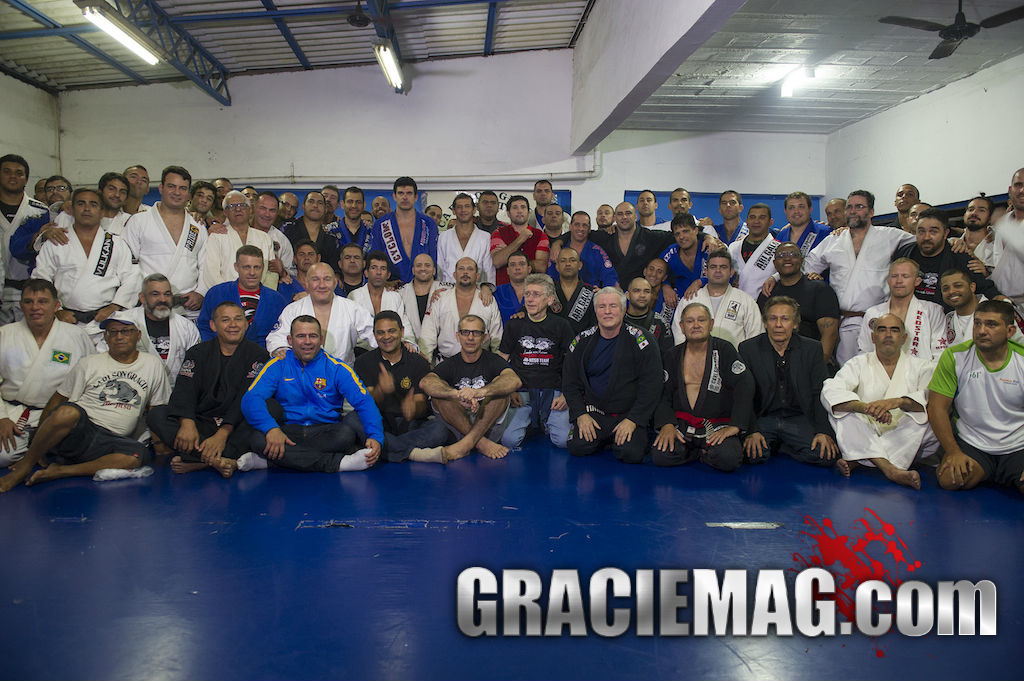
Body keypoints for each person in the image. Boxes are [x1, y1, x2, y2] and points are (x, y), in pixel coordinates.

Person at [0, 311, 171, 492]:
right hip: (81, 431)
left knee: (137, 456)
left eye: (126, 331)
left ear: (138, 335)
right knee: (67, 412)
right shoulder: (88, 363)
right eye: (113, 332)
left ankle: (62, 471)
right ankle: (26, 466)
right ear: (106, 337)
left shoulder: (152, 364)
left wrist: (160, 445)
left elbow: (155, 408)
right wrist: (38, 442)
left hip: (111, 441)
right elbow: (58, 399)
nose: (119, 337)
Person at [238, 315, 382, 474]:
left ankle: (271, 461)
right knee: (258, 439)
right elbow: (250, 399)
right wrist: (271, 429)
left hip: (325, 431)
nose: (307, 341)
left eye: (312, 336)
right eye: (301, 336)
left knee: (346, 435)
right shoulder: (277, 364)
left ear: (321, 339)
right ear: (290, 340)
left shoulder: (337, 368)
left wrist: (375, 436)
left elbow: (364, 402)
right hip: (287, 430)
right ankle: (338, 463)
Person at [147, 301, 269, 477]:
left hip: (235, 426)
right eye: (225, 320)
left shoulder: (258, 355)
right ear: (213, 325)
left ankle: (197, 460)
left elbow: (246, 398)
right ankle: (217, 460)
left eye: (238, 319)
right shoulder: (197, 352)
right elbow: (184, 390)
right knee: (157, 415)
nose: (233, 325)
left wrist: (223, 434)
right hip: (201, 423)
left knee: (269, 410)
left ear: (246, 323)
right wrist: (187, 423)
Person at [797, 189, 916, 364]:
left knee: (879, 374)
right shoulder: (834, 240)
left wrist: (958, 240)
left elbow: (923, 240)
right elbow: (805, 266)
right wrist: (810, 276)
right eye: (849, 207)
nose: (853, 211)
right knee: (847, 374)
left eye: (859, 206)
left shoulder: (889, 236)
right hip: (843, 322)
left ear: (871, 212)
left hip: (880, 321)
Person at [822, 313, 937, 490]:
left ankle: (862, 458)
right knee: (842, 415)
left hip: (903, 433)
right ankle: (890, 469)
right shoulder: (858, 363)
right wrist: (865, 408)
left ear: (904, 338)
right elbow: (831, 389)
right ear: (873, 337)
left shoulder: (923, 366)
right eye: (882, 330)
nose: (888, 335)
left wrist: (897, 402)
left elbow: (929, 397)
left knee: (927, 420)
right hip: (867, 427)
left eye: (894, 330)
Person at [928, 300, 1024, 493]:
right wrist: (953, 451)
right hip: (973, 445)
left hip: (1018, 446)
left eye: (991, 324)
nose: (981, 330)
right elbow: (936, 408)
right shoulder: (955, 356)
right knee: (949, 480)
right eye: (977, 323)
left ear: (1010, 331)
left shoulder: (1021, 360)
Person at [0, 280, 95, 468]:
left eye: (42, 301)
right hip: (13, 414)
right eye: (28, 302)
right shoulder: (4, 334)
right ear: (21, 305)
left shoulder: (77, 336)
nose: (35, 307)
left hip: (59, 417)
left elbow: (92, 378)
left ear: (56, 305)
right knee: (3, 457)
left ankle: (37, 450)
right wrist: (1, 418)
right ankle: (36, 450)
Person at [562, 287, 663, 464]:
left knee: (630, 453)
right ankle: (606, 438)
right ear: (595, 311)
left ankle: (619, 437)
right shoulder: (581, 341)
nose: (607, 311)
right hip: (595, 413)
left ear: (624, 310)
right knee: (577, 447)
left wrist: (634, 419)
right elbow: (570, 383)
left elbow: (652, 385)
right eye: (602, 306)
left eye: (613, 306)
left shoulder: (643, 341)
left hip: (628, 414)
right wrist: (580, 415)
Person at [739, 297, 841, 470]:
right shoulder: (748, 349)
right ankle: (778, 443)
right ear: (765, 323)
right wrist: (751, 431)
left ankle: (784, 445)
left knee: (825, 456)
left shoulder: (812, 349)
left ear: (795, 324)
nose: (778, 324)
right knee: (752, 455)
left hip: (798, 418)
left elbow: (820, 392)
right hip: (764, 418)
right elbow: (744, 394)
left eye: (785, 319)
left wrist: (822, 431)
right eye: (773, 318)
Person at [652, 302, 753, 471]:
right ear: (682, 327)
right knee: (661, 455)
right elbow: (661, 393)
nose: (696, 325)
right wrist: (667, 424)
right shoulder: (672, 355)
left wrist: (736, 425)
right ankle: (700, 452)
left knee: (728, 458)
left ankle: (700, 451)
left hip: (716, 425)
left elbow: (745, 387)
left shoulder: (725, 350)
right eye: (690, 321)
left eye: (701, 320)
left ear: (711, 324)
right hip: (682, 425)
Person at [32, 188, 141, 339]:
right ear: (72, 209)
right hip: (65, 321)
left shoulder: (116, 243)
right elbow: (41, 280)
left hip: (105, 322)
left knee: (104, 363)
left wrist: (115, 306)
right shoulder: (55, 242)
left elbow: (132, 277)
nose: (87, 208)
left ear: (102, 212)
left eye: (93, 204)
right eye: (81, 203)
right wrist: (57, 310)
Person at [413, 314, 521, 463]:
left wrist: (480, 392)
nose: (470, 337)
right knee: (440, 395)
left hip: (487, 426)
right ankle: (479, 443)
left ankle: (465, 445)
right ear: (458, 336)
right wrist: (456, 394)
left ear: (484, 337)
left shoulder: (493, 360)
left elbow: (513, 380)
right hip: (458, 426)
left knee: (499, 393)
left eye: (476, 333)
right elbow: (426, 382)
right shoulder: (451, 363)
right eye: (465, 332)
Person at [353, 311, 445, 463]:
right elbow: (366, 404)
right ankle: (412, 453)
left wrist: (413, 408)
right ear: (374, 335)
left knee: (440, 430)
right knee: (352, 420)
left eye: (392, 331)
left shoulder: (418, 362)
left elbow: (421, 401)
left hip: (410, 424)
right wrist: (380, 390)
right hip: (379, 422)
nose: (386, 337)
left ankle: (384, 449)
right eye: (380, 333)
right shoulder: (363, 362)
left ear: (402, 332)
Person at [120, 165, 208, 319]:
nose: (176, 192)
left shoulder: (197, 227)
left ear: (188, 193)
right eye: (171, 186)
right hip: (149, 306)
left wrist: (200, 292)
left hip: (187, 308)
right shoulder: (138, 221)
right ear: (161, 188)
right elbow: (126, 264)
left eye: (182, 188)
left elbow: (205, 266)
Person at [499, 274, 574, 449]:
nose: (530, 299)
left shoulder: (562, 326)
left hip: (553, 390)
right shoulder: (514, 325)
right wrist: (508, 391)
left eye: (537, 295)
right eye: (527, 294)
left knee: (563, 441)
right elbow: (501, 362)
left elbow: (573, 364)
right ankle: (535, 420)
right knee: (509, 441)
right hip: (521, 392)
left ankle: (545, 420)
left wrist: (567, 394)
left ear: (550, 300)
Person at [892, 207, 1000, 311]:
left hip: (946, 320)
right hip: (909, 317)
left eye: (933, 232)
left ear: (945, 233)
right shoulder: (904, 253)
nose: (926, 237)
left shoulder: (960, 257)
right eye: (921, 231)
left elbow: (986, 289)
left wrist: (1001, 300)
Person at [267, 263, 376, 366]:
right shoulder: (293, 310)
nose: (322, 285)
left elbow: (376, 335)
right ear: (307, 284)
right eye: (315, 279)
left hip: (342, 376)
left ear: (335, 283)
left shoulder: (352, 308)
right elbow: (276, 338)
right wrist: (281, 350)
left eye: (327, 279)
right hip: (302, 375)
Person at [103, 274, 202, 386]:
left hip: (176, 394)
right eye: (155, 294)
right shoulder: (123, 322)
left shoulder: (186, 327)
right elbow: (104, 358)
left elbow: (196, 366)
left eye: (167, 294)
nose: (162, 299)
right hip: (134, 392)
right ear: (142, 298)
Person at [755, 242, 839, 364]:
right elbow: (759, 331)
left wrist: (817, 367)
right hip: (772, 361)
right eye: (781, 255)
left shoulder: (819, 289)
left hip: (809, 359)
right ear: (774, 263)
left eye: (792, 254)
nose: (787, 258)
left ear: (801, 260)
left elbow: (829, 334)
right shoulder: (767, 292)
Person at [198, 246, 287, 349]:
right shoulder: (216, 293)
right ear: (236, 267)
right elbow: (204, 326)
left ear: (263, 267)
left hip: (263, 359)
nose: (252, 273)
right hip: (220, 357)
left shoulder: (277, 300)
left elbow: (282, 334)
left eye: (256, 267)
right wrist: (213, 353)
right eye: (246, 267)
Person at [857, 259, 946, 361]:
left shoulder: (933, 311)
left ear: (917, 281)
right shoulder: (873, 313)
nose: (899, 281)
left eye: (905, 276)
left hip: (922, 374)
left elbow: (940, 354)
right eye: (894, 276)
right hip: (880, 374)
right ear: (888, 281)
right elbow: (864, 352)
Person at [671, 249, 762, 348]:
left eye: (723, 267)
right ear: (706, 272)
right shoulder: (690, 299)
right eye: (713, 267)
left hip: (735, 361)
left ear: (731, 272)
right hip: (695, 360)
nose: (718, 271)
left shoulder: (746, 301)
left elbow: (755, 336)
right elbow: (679, 332)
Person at [419, 258, 503, 361]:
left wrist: (499, 365)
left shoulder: (488, 300)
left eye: (470, 269)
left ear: (477, 276)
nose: (465, 272)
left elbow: (497, 337)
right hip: (446, 363)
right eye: (461, 269)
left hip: (481, 364)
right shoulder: (440, 298)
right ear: (454, 275)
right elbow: (427, 334)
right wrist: (425, 363)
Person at [1, 153, 50, 324]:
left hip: (28, 287)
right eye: (7, 171)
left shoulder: (41, 211)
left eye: (19, 173)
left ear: (26, 179)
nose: (13, 176)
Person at [368, 177, 438, 284]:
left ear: (415, 197)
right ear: (394, 197)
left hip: (423, 283)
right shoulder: (382, 224)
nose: (405, 197)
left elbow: (434, 255)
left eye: (409, 193)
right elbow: (375, 256)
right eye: (401, 193)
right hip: (391, 284)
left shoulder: (428, 223)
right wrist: (384, 282)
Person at [347, 250, 416, 349]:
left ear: (388, 275)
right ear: (366, 273)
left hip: (391, 348)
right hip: (361, 351)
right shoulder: (354, 296)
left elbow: (404, 324)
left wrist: (408, 342)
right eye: (374, 268)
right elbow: (351, 331)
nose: (378, 272)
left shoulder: (394, 297)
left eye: (383, 269)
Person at [939, 268, 1024, 347]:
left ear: (972, 287)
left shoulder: (1000, 309)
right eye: (945, 289)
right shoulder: (948, 319)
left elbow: (1021, 344)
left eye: (958, 286)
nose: (951, 291)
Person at [603, 201, 674, 286]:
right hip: (611, 293)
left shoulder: (651, 237)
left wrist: (667, 285)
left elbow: (681, 236)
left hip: (641, 293)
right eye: (620, 214)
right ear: (614, 218)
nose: (624, 217)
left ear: (636, 216)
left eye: (628, 213)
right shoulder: (606, 237)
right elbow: (586, 233)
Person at [547, 210, 617, 289]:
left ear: (589, 228)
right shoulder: (558, 251)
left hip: (591, 298)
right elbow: (549, 279)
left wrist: (603, 292)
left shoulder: (598, 252)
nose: (581, 228)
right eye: (577, 224)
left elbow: (611, 278)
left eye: (584, 225)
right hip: (561, 298)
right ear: (570, 226)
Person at [437, 193, 496, 285]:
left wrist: (487, 288)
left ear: (474, 210)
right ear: (453, 211)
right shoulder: (444, 237)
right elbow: (439, 268)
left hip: (477, 291)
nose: (463, 210)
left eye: (467, 206)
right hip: (448, 290)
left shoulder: (485, 237)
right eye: (459, 207)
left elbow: (489, 270)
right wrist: (439, 289)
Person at [490, 194, 549, 284]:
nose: (519, 211)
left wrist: (507, 254)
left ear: (528, 212)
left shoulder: (540, 235)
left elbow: (541, 266)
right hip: (503, 292)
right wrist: (521, 239)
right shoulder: (498, 233)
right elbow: (497, 262)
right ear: (508, 213)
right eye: (515, 208)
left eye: (523, 207)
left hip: (532, 291)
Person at [281, 191, 341, 276]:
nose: (315, 206)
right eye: (311, 201)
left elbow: (335, 267)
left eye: (320, 203)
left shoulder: (331, 237)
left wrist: (337, 276)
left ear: (325, 209)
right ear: (303, 206)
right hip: (291, 281)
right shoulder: (288, 230)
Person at [728, 202, 780, 299]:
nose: (756, 221)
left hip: (764, 305)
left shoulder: (778, 249)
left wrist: (775, 277)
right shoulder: (734, 247)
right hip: (734, 304)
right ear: (747, 221)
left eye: (762, 217)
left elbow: (788, 275)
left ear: (770, 222)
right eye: (752, 217)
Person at [991, 168, 1024, 320]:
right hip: (1004, 304)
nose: (1022, 190)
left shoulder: (1003, 225)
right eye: (1018, 185)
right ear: (1010, 190)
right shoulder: (1003, 223)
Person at [659, 213, 708, 300]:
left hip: (711, 301)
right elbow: (655, 274)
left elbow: (726, 275)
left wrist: (700, 282)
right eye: (677, 234)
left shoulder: (710, 249)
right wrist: (665, 286)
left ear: (696, 231)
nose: (681, 237)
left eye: (685, 231)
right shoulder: (670, 254)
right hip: (680, 304)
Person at [250, 191, 294, 288]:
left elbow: (292, 275)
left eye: (272, 210)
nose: (267, 214)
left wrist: (282, 271)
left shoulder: (282, 240)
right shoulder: (242, 232)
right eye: (263, 208)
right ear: (253, 208)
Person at [551, 247, 597, 335]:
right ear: (557, 266)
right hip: (553, 344)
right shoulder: (547, 292)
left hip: (583, 345)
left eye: (572, 260)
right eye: (563, 261)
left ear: (580, 265)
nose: (568, 264)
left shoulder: (592, 293)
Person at [624, 277, 673, 355]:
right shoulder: (617, 321)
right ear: (627, 295)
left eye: (646, 291)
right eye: (637, 291)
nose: (642, 295)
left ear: (651, 295)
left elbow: (668, 358)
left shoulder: (661, 323)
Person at [398, 253, 441, 340]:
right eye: (419, 265)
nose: (423, 268)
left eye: (427, 265)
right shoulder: (400, 293)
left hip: (441, 348)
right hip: (410, 347)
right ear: (413, 270)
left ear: (434, 270)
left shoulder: (445, 290)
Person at [776, 191, 831, 256]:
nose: (796, 211)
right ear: (785, 211)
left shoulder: (825, 232)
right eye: (791, 207)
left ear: (810, 209)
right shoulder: (781, 236)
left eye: (801, 207)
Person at [328, 186, 373, 254]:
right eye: (350, 201)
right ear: (342, 204)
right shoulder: (330, 230)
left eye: (358, 202)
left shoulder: (372, 232)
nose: (354, 206)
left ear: (364, 205)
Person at [493, 251, 529, 323]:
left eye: (522, 264)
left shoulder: (539, 292)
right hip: (504, 333)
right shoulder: (497, 292)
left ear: (529, 269)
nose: (517, 268)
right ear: (508, 270)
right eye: (512, 265)